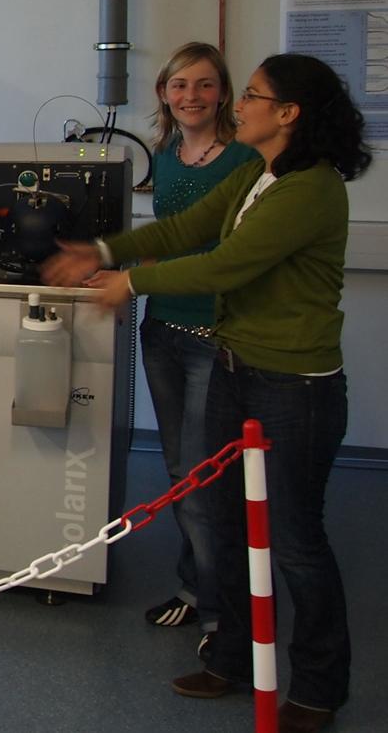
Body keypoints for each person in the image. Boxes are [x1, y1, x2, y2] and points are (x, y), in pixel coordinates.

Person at [42, 53, 371, 733]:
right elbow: (188, 228)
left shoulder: (311, 188)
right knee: (221, 519)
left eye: (251, 95)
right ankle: (232, 657)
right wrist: (104, 252)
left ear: (289, 113)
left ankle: (318, 687)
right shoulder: (258, 173)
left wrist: (132, 282)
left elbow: (228, 264)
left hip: (295, 387)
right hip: (234, 367)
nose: (238, 105)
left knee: (294, 539)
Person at [134, 44, 255, 637]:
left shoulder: (246, 159)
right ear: (164, 92)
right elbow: (168, 239)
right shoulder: (165, 155)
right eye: (180, 85)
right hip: (162, 329)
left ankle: (221, 614)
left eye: (205, 85)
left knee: (211, 477)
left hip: (215, 333)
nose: (191, 96)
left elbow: (231, 252)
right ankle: (195, 585)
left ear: (223, 93)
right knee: (182, 469)